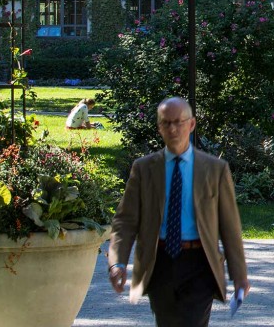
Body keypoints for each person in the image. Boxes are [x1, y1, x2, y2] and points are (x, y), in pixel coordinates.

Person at [107, 97, 250, 327]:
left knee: (193, 321)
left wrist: (240, 274)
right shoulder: (143, 169)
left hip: (200, 262)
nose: (173, 129)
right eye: (166, 123)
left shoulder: (215, 169)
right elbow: (125, 221)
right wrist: (117, 263)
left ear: (191, 124)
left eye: (178, 122)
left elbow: (229, 225)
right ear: (159, 127)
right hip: (160, 261)